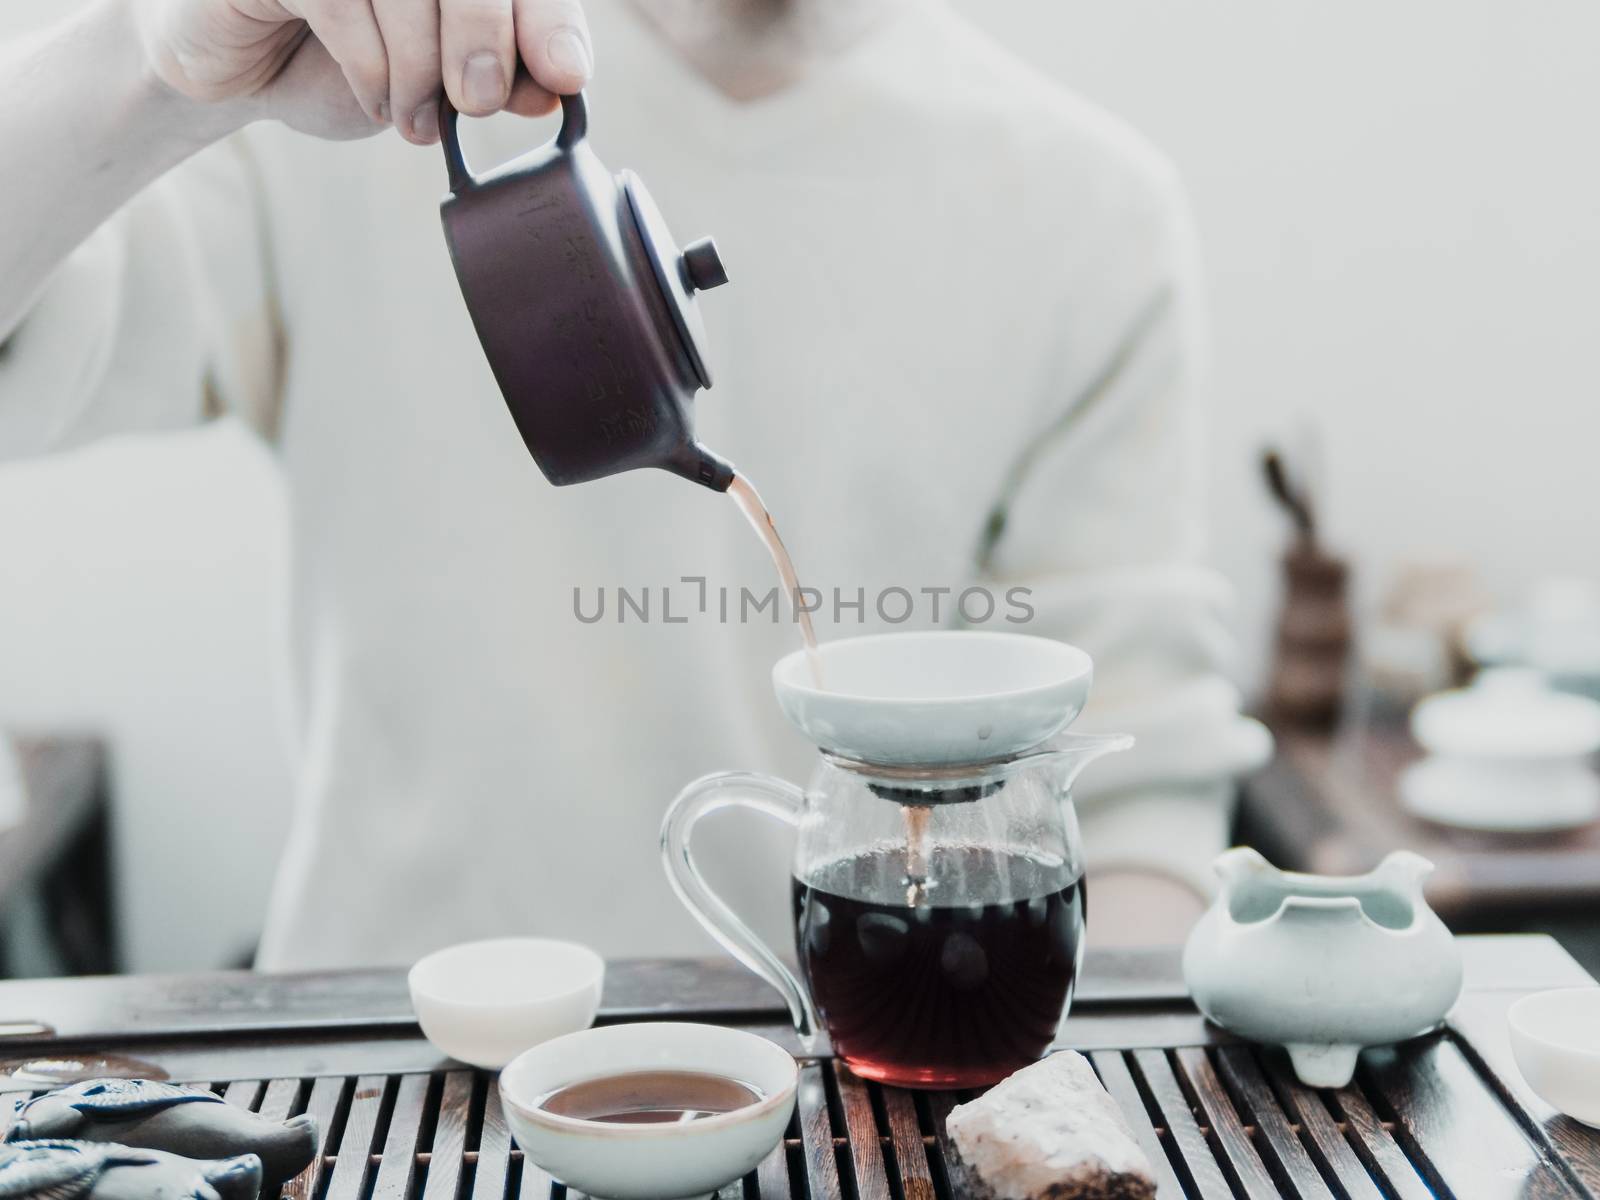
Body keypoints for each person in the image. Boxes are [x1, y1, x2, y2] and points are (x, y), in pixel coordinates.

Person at [0, 0, 1270, 968]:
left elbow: (1131, 803)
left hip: (846, 1094)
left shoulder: (1085, 208)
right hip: (400, 1053)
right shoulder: (361, 82)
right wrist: (151, 71)